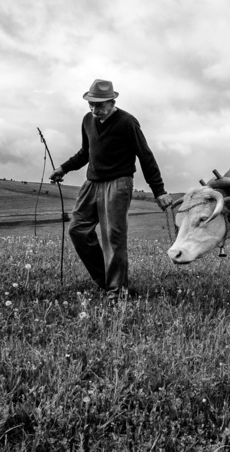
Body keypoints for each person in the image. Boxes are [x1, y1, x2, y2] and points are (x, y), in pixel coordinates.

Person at [49, 79, 173, 299]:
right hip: (91, 183)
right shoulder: (88, 120)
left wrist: (159, 191)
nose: (95, 109)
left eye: (99, 105)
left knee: (112, 238)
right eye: (91, 104)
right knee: (77, 228)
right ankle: (106, 281)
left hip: (118, 183)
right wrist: (64, 168)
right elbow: (85, 153)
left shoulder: (127, 122)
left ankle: (117, 291)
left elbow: (145, 156)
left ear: (112, 101)